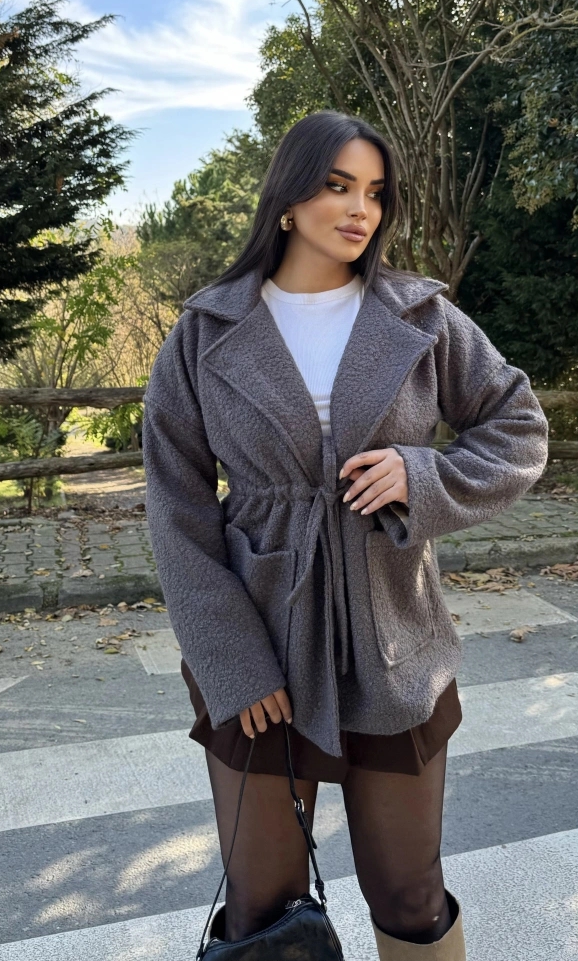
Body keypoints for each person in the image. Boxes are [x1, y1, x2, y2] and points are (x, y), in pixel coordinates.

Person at [143, 111, 549, 959]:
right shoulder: (204, 331)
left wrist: (422, 477)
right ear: (288, 200)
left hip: (393, 641)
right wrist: (232, 660)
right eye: (337, 186)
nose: (361, 208)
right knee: (262, 908)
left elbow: (518, 427)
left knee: (410, 895)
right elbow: (177, 510)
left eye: (374, 191)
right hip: (261, 647)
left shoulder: (421, 316)